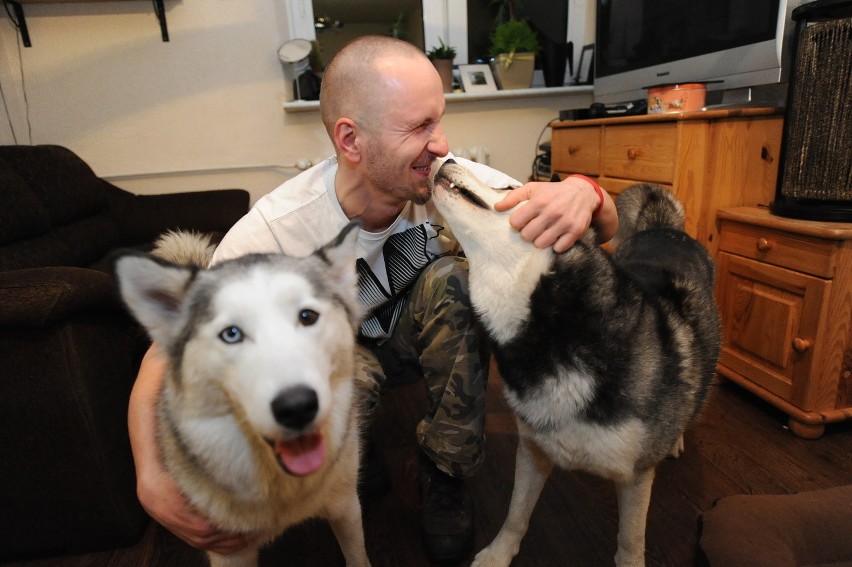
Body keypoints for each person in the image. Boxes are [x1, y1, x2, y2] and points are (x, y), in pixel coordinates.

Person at [127, 35, 617, 564]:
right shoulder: (274, 231)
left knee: (454, 280)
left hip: (407, 341)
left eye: (439, 119)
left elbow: (601, 229)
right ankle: (351, 447)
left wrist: (584, 192)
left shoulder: (446, 182)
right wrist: (150, 479)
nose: (440, 142)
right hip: (335, 370)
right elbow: (165, 355)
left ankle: (444, 473)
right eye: (418, 127)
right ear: (351, 141)